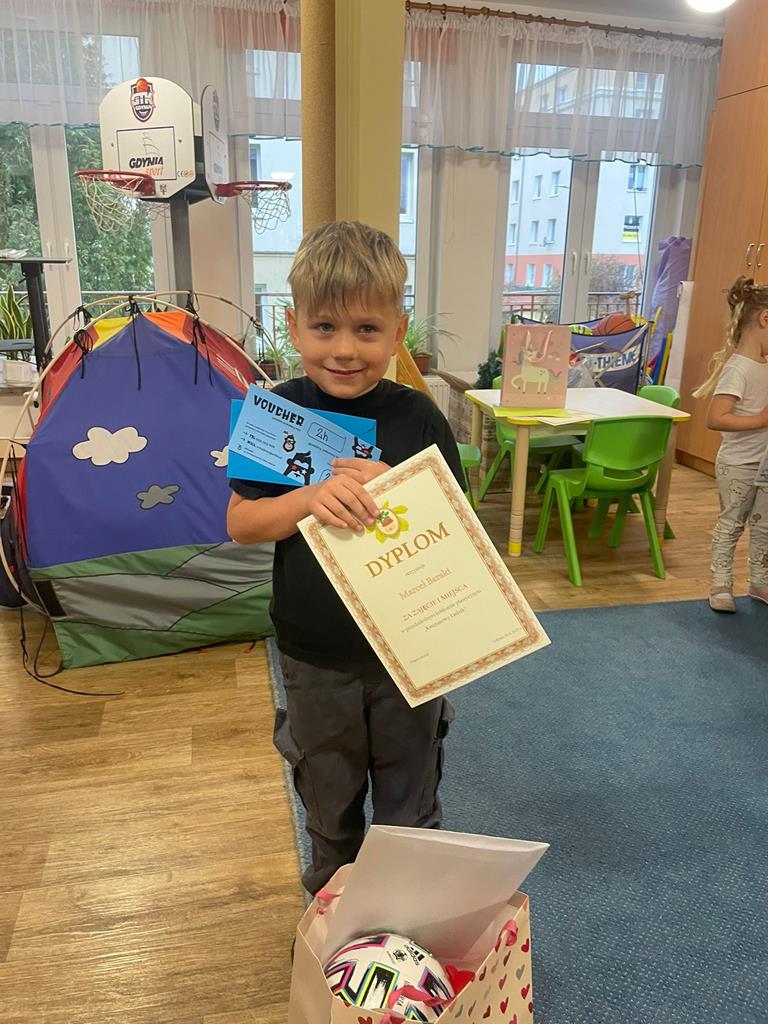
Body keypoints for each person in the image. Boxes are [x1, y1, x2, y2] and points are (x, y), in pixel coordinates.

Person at [227, 220, 465, 894]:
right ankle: (334, 921)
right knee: (329, 804)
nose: (344, 349)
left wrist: (398, 491)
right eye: (325, 327)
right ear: (293, 325)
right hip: (314, 655)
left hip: (410, 648)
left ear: (398, 330)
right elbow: (242, 523)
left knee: (411, 806)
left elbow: (459, 531)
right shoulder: (274, 413)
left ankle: (404, 921)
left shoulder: (420, 417)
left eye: (367, 329)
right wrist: (309, 498)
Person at [693, 276, 768, 613]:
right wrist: (761, 420)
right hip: (738, 464)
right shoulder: (738, 368)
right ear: (765, 319)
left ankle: (760, 581)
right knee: (732, 523)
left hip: (764, 463)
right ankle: (721, 584)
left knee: (764, 525)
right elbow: (716, 418)